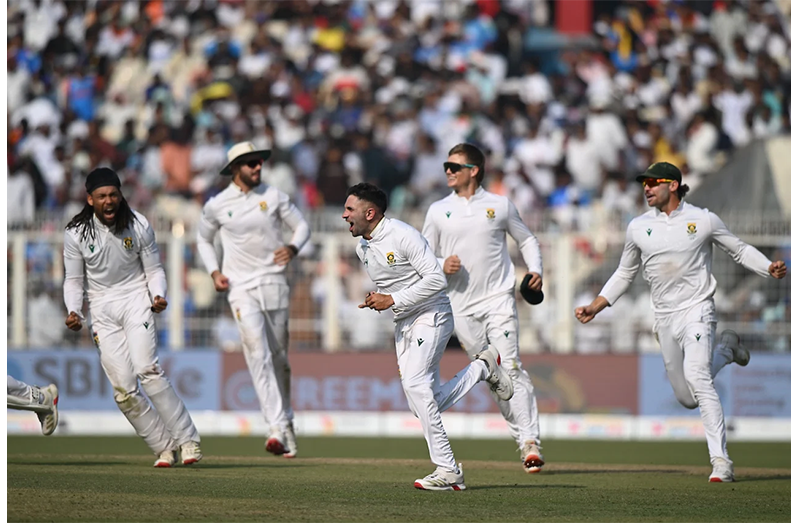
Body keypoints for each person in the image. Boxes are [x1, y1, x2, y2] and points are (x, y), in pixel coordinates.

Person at [574, 162, 788, 483]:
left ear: (673, 185)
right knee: (687, 398)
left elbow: (739, 250)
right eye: (644, 183)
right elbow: (624, 273)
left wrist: (767, 267)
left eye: (653, 183)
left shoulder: (702, 220)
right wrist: (597, 305)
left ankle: (721, 462)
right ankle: (727, 350)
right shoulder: (638, 227)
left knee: (698, 377)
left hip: (698, 309)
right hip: (664, 317)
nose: (646, 188)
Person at [342, 182, 515, 491]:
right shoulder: (362, 247)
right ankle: (482, 368)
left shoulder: (403, 234)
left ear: (370, 212)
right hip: (404, 323)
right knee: (421, 402)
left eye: (349, 209)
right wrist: (380, 299)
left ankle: (448, 470)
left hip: (432, 315)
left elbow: (435, 279)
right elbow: (402, 280)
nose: (344, 215)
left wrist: (392, 300)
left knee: (416, 388)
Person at [63, 167, 202, 468]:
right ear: (90, 200)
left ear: (120, 194)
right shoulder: (76, 234)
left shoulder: (138, 224)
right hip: (101, 308)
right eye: (101, 196)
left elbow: (153, 269)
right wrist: (74, 311)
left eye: (113, 194)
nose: (109, 201)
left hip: (136, 298)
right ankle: (163, 448)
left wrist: (158, 294)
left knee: (147, 369)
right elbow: (74, 281)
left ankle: (187, 440)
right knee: (124, 391)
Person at [422, 143, 547, 473]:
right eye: (446, 165)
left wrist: (536, 270)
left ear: (474, 170)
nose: (448, 170)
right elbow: (421, 257)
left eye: (454, 165)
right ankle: (522, 437)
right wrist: (439, 262)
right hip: (459, 307)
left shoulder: (499, 205)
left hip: (498, 300)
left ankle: (529, 442)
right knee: (496, 377)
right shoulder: (437, 210)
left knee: (513, 364)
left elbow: (528, 240)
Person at [197, 141, 311, 458]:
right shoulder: (217, 204)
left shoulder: (273, 196)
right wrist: (213, 271)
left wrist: (292, 248)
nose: (257, 167)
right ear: (235, 169)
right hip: (239, 287)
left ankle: (286, 421)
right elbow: (202, 239)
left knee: (279, 359)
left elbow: (301, 226)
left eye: (259, 162)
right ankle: (275, 426)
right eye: (250, 164)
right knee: (256, 351)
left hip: (274, 281)